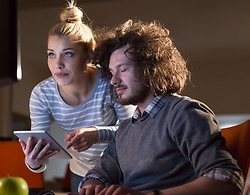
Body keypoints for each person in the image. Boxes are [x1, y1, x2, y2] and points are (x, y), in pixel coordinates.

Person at [78, 19, 244, 195]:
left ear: (150, 67)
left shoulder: (184, 113)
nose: (113, 81)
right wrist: (92, 184)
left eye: (123, 69)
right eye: (112, 72)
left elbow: (226, 180)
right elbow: (100, 173)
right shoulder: (124, 130)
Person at [18, 0, 134, 193]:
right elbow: (41, 153)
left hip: (122, 169)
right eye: (51, 54)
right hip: (82, 174)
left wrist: (97, 134)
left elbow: (134, 131)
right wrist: (33, 162)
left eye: (68, 54)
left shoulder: (110, 82)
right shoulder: (42, 94)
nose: (58, 64)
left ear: (89, 55)